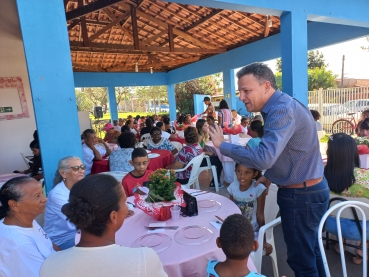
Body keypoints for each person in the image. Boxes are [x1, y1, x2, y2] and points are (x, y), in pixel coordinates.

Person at [209, 62, 328, 276]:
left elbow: (264, 158)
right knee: (311, 253)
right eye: (240, 91)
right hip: (307, 190)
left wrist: (223, 146)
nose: (242, 97)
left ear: (266, 86)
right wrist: (270, 177)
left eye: (246, 90)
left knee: (302, 260)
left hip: (301, 195)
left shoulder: (280, 109)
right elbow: (287, 152)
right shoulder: (279, 106)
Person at [40, 174, 167, 277]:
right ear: (113, 216)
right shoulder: (144, 259)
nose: (127, 207)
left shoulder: (50, 265)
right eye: (124, 203)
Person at [324, 133, 369, 264]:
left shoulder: (320, 174)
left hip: (329, 225)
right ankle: (363, 248)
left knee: (339, 208)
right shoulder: (365, 177)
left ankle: (340, 243)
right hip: (362, 230)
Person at [0, 176, 53, 277]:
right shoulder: (19, 245)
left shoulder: (28, 220)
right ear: (14, 205)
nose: (45, 199)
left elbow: (49, 247)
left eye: (42, 193)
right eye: (37, 196)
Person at [228, 163, 272, 255]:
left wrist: (263, 240)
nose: (242, 176)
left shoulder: (259, 189)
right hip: (235, 229)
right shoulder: (233, 187)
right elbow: (230, 210)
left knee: (239, 250)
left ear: (254, 174)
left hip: (251, 231)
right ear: (235, 171)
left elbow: (260, 215)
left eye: (247, 172)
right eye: (239, 171)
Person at [44, 156, 85, 250]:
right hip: (62, 239)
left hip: (79, 232)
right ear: (63, 173)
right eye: (76, 168)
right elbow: (80, 218)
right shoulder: (57, 195)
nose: (81, 171)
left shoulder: (82, 187)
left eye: (82, 167)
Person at [196, 119, 224, 188]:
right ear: (200, 127)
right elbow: (196, 151)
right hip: (199, 161)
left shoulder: (203, 135)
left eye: (207, 125)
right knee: (220, 161)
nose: (207, 126)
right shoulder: (199, 137)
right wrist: (207, 152)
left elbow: (200, 148)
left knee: (218, 159)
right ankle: (214, 182)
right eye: (205, 126)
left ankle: (215, 181)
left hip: (200, 158)